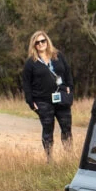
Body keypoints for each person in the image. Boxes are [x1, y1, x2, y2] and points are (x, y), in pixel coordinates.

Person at [21, 30, 74, 160]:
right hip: (43, 101)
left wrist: (69, 88)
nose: (40, 44)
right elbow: (26, 83)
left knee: (66, 127)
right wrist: (30, 101)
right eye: (37, 42)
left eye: (42, 41)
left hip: (61, 97)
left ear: (47, 41)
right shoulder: (30, 63)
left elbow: (67, 73)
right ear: (34, 45)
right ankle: (49, 159)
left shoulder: (58, 56)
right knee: (48, 129)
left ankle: (69, 157)